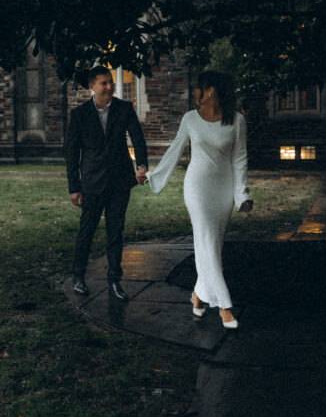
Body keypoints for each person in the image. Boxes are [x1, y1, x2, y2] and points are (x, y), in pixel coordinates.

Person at [147, 70, 253, 328]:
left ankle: (198, 295)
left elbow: (239, 160)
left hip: (223, 191)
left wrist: (242, 195)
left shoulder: (237, 121)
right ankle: (225, 306)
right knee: (205, 241)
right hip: (197, 188)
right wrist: (154, 175)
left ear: (211, 91)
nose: (193, 92)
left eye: (197, 87)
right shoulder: (190, 119)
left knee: (212, 246)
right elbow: (175, 150)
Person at [66, 66, 148, 301]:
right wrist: (74, 186)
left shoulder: (125, 109)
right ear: (92, 86)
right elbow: (72, 153)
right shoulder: (80, 114)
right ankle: (78, 276)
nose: (109, 87)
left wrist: (141, 165)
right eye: (103, 83)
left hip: (120, 181)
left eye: (110, 82)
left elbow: (138, 138)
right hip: (91, 182)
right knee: (87, 231)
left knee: (115, 232)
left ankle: (114, 281)